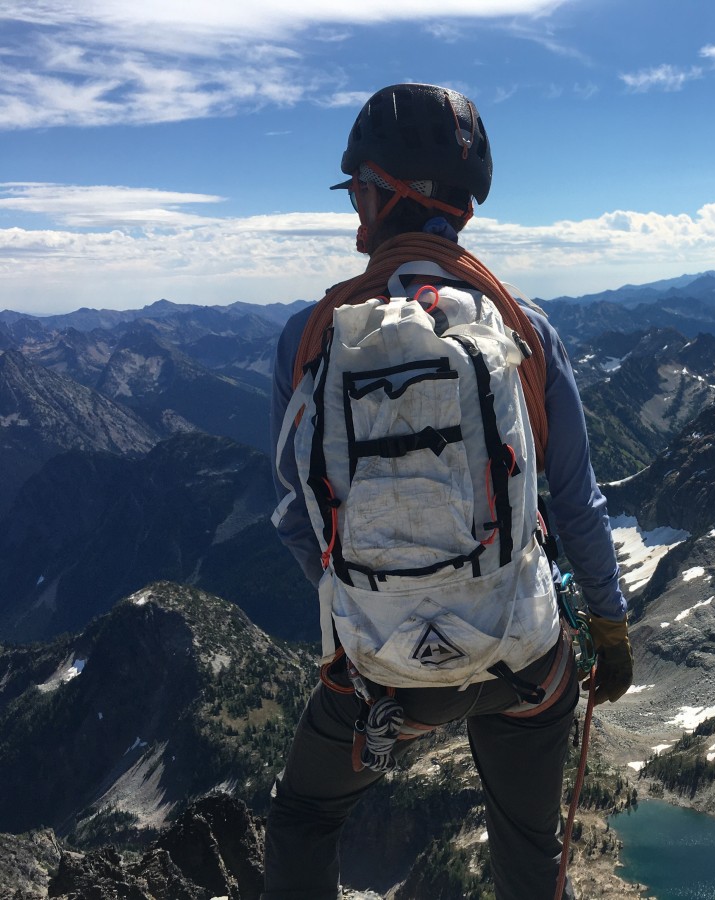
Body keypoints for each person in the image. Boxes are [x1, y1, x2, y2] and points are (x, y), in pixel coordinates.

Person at [264, 83, 632, 900]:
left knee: (302, 820)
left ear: (386, 194)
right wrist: (608, 629)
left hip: (378, 674)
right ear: (458, 207)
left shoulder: (311, 335)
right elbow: (576, 502)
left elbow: (296, 516)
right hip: (521, 661)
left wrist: (371, 611)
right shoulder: (523, 328)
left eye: (358, 187)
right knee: (530, 852)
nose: (354, 205)